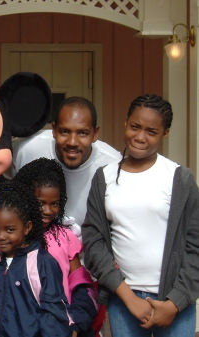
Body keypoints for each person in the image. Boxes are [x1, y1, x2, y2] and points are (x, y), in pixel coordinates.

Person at [82, 94, 199, 337]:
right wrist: (127, 296)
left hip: (174, 303)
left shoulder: (180, 179)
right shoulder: (104, 178)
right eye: (135, 126)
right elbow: (94, 242)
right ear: (126, 122)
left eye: (151, 131)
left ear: (165, 133)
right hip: (124, 300)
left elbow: (195, 246)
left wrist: (174, 302)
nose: (140, 137)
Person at [7, 96, 121, 234]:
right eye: (65, 131)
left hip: (87, 253)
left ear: (95, 133)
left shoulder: (112, 164)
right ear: (54, 130)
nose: (72, 142)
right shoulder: (26, 149)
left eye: (82, 133)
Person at [14, 158, 97, 337]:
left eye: (55, 204)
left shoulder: (65, 236)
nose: (48, 210)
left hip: (63, 327)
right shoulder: (14, 238)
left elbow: (80, 284)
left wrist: (76, 323)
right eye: (40, 203)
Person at [0, 180, 73, 337]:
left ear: (27, 228)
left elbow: (54, 316)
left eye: (10, 230)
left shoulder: (41, 262)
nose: (0, 236)